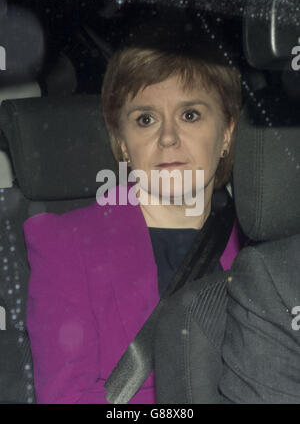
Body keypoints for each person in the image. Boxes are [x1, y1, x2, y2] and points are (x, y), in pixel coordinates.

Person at [23, 21, 242, 403]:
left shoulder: (268, 244)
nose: (168, 137)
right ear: (122, 143)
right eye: (146, 119)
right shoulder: (65, 246)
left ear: (226, 132)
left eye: (190, 114)